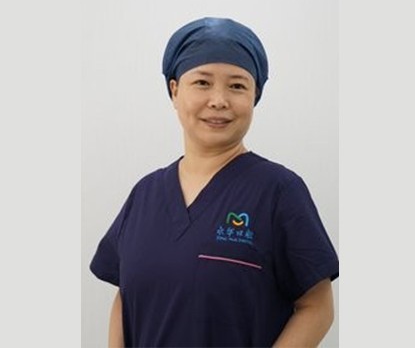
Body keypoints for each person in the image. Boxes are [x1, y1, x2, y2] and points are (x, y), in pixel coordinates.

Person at [90, 17, 339, 348]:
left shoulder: (279, 191)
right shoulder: (145, 194)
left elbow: (316, 308)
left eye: (237, 86)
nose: (219, 100)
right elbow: (125, 296)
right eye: (202, 82)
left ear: (255, 95)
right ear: (174, 90)